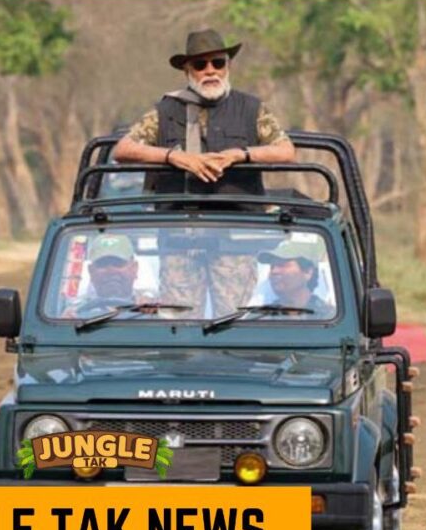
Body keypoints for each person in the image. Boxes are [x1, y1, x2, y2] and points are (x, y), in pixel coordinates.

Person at [111, 29, 296, 317]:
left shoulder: (251, 108)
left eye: (217, 63)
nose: (210, 71)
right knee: (179, 323)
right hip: (179, 235)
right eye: (200, 65)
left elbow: (285, 150)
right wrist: (175, 157)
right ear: (188, 70)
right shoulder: (166, 110)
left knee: (233, 322)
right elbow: (123, 149)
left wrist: (242, 155)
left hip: (235, 233)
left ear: (227, 65)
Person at [63, 234, 155, 317]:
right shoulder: (75, 313)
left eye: (118, 263)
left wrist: (156, 313)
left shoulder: (151, 308)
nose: (111, 271)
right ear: (91, 271)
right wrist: (65, 327)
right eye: (102, 264)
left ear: (134, 268)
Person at [258, 240, 336, 319]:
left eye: (282, 265)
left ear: (307, 272)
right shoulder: (259, 318)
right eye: (272, 267)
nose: (274, 271)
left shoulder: (330, 318)